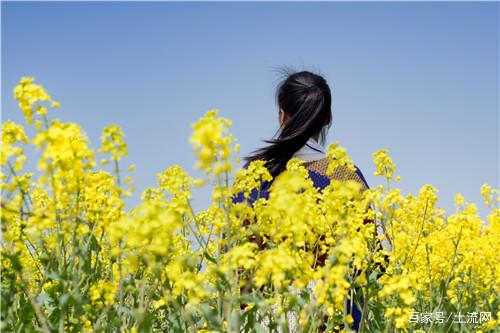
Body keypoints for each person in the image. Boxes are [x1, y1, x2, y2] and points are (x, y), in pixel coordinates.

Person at [232, 69, 373, 330]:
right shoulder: (347, 177)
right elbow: (374, 262)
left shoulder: (253, 176)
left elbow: (234, 264)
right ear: (327, 118)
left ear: (282, 115)